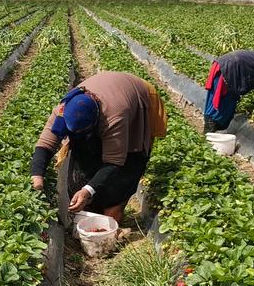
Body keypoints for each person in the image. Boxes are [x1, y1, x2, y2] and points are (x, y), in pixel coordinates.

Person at [30, 71, 168, 225]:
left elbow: (114, 162)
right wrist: (37, 175)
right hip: (108, 94)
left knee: (124, 175)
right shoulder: (62, 110)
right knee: (84, 161)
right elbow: (45, 144)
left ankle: (111, 220)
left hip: (137, 99)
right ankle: (92, 212)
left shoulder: (114, 116)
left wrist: (87, 190)